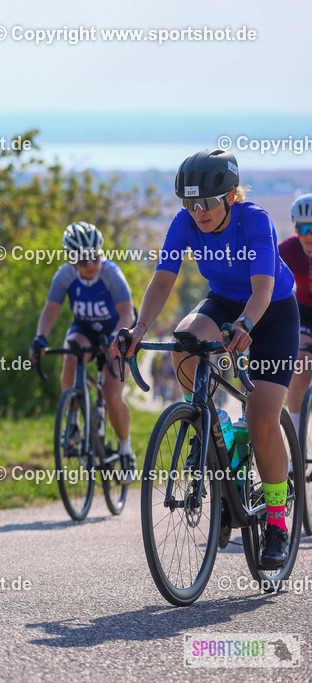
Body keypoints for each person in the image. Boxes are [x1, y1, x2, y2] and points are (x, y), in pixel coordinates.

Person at [116, 149, 298, 569]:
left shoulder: (255, 221)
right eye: (188, 203)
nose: (196, 212)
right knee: (184, 343)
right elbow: (163, 279)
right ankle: (206, 422)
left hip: (270, 312)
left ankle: (276, 523)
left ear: (230, 197)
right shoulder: (185, 224)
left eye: (205, 204)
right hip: (223, 301)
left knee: (262, 419)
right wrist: (140, 329)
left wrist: (246, 326)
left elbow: (262, 290)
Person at [30, 222, 137, 476]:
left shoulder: (111, 273)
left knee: (112, 395)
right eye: (81, 260)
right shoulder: (64, 275)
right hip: (85, 330)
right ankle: (74, 423)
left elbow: (128, 314)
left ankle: (125, 449)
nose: (89, 265)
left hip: (116, 331)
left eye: (94, 257)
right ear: (70, 259)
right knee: (71, 353)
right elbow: (50, 311)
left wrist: (115, 339)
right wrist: (40, 339)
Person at [278, 193, 312, 430]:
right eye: (303, 228)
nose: (308, 235)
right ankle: (299, 445)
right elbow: (264, 277)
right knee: (300, 362)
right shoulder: (288, 249)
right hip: (306, 312)